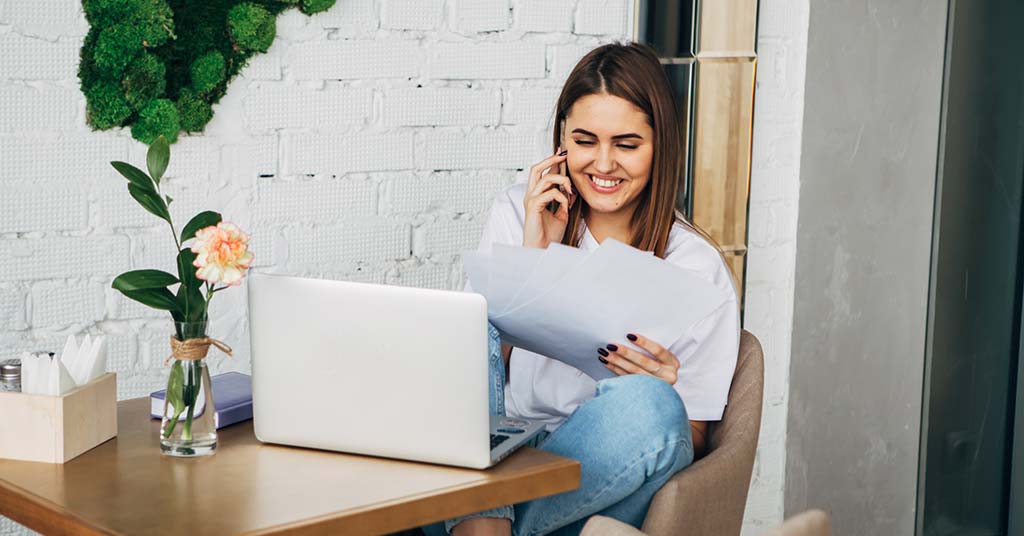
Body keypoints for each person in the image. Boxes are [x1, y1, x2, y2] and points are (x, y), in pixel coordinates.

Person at [426, 42, 739, 536]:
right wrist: (533, 258)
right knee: (463, 325)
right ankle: (485, 521)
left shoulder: (696, 265)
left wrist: (663, 388)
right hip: (505, 452)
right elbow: (474, 369)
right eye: (585, 141)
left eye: (627, 144)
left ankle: (480, 525)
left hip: (599, 470)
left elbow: (687, 438)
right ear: (561, 142)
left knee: (653, 406)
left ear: (661, 146)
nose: (604, 164)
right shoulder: (518, 210)